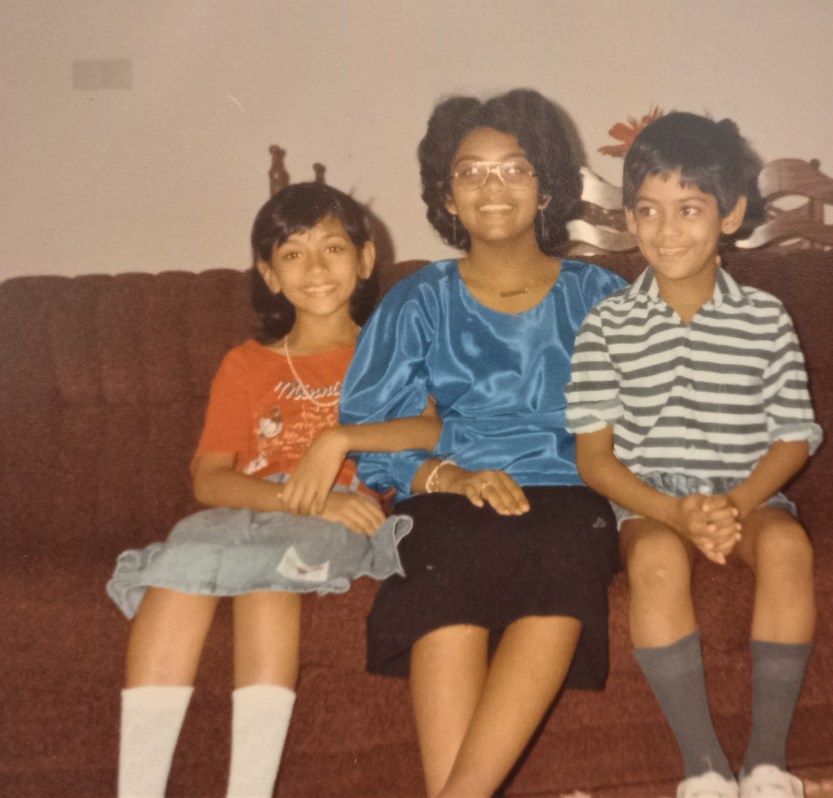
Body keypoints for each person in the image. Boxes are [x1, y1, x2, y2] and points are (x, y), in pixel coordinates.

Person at [327, 89, 627, 798]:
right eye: (471, 172)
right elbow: (374, 431)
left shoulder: (600, 295)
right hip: (453, 489)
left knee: (565, 545)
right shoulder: (418, 299)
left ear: (547, 186)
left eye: (514, 169)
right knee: (444, 549)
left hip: (571, 487)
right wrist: (450, 478)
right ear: (448, 196)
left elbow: (648, 413)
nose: (493, 188)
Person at [107, 182, 440, 798]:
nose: (315, 268)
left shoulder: (387, 352)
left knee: (271, 577)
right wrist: (295, 495)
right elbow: (209, 478)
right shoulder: (246, 363)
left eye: (333, 247)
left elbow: (430, 426)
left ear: (366, 260)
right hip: (256, 505)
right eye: (293, 254)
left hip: (341, 518)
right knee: (178, 562)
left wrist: (339, 439)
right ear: (268, 274)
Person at [565, 112, 821, 798]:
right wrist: (675, 514)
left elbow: (794, 436)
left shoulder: (765, 318)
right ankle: (705, 765)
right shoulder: (607, 324)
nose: (665, 229)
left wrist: (735, 505)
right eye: (647, 210)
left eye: (689, 209)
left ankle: (766, 761)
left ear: (731, 214)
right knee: (651, 561)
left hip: (750, 493)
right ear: (628, 217)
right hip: (650, 499)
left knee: (789, 548)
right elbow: (594, 458)